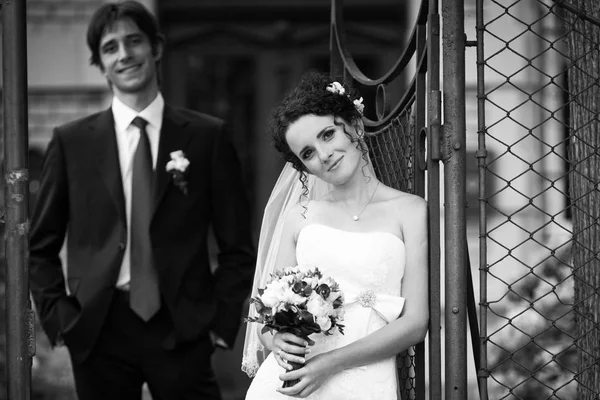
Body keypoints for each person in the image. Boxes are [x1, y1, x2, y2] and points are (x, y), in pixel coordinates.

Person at [29, 2, 255, 399]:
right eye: (110, 47)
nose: (124, 54)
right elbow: (40, 245)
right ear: (99, 63)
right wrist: (59, 318)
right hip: (99, 327)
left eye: (134, 41)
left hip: (182, 325)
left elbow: (237, 244)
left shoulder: (206, 137)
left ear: (157, 47)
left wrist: (220, 323)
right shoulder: (71, 142)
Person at [241, 71, 429, 399]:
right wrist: (276, 340)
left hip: (365, 380)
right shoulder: (299, 217)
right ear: (303, 168)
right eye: (308, 153)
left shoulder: (411, 211)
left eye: (327, 134)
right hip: (291, 383)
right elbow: (266, 320)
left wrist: (331, 363)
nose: (324, 154)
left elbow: (415, 322)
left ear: (355, 126)